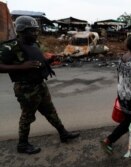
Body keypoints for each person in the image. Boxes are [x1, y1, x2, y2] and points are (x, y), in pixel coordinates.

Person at [0, 16, 80, 154]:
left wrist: (50, 61)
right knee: (27, 117)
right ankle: (22, 145)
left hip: (40, 85)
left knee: (50, 111)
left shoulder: (34, 44)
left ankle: (63, 133)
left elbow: (37, 63)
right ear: (21, 31)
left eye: (36, 30)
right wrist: (21, 67)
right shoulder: (10, 47)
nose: (36, 33)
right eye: (32, 31)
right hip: (26, 88)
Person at [101, 33, 131, 155]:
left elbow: (121, 78)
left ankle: (110, 140)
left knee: (129, 121)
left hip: (124, 97)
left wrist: (121, 95)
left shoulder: (123, 58)